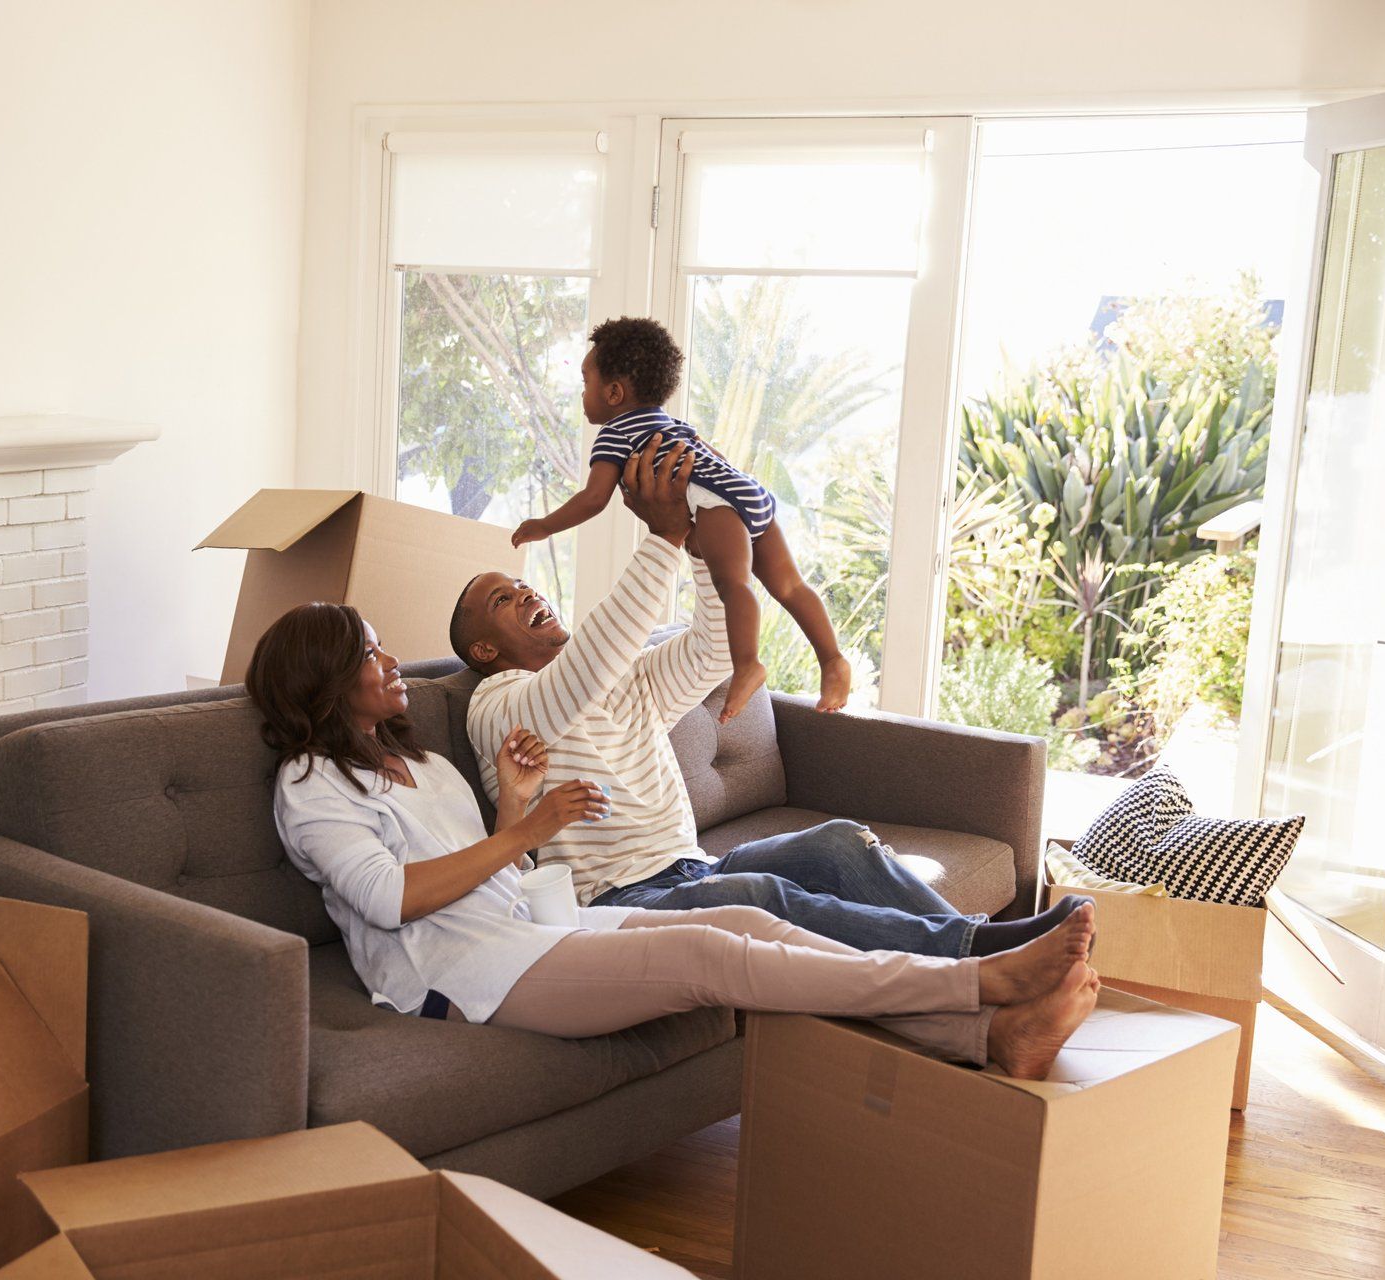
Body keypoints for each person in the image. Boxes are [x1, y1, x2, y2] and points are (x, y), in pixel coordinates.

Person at [247, 600, 1100, 1079]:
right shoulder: (311, 786)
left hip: (526, 932)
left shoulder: (421, 763)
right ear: (324, 680)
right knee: (708, 957)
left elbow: (494, 875)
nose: (391, 659)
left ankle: (988, 1037)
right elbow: (394, 899)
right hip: (460, 976)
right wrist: (532, 829)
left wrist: (514, 808)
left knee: (752, 928)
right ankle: (972, 979)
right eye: (369, 650)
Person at [457, 435, 1082, 958]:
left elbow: (713, 649)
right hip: (618, 900)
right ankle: (984, 956)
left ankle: (989, 953)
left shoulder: (624, 676)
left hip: (691, 866)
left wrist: (699, 543)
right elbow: (577, 681)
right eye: (503, 600)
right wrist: (662, 537)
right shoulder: (497, 705)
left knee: (840, 841)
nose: (528, 594)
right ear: (484, 648)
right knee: (763, 897)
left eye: (523, 584)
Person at [512, 316, 848, 720]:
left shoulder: (615, 434)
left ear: (614, 392)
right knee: (791, 586)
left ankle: (747, 665)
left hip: (715, 502)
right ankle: (831, 660)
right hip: (746, 489)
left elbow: (594, 498)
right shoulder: (672, 424)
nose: (582, 394)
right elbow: (715, 457)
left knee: (734, 583)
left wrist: (544, 525)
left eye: (586, 382)